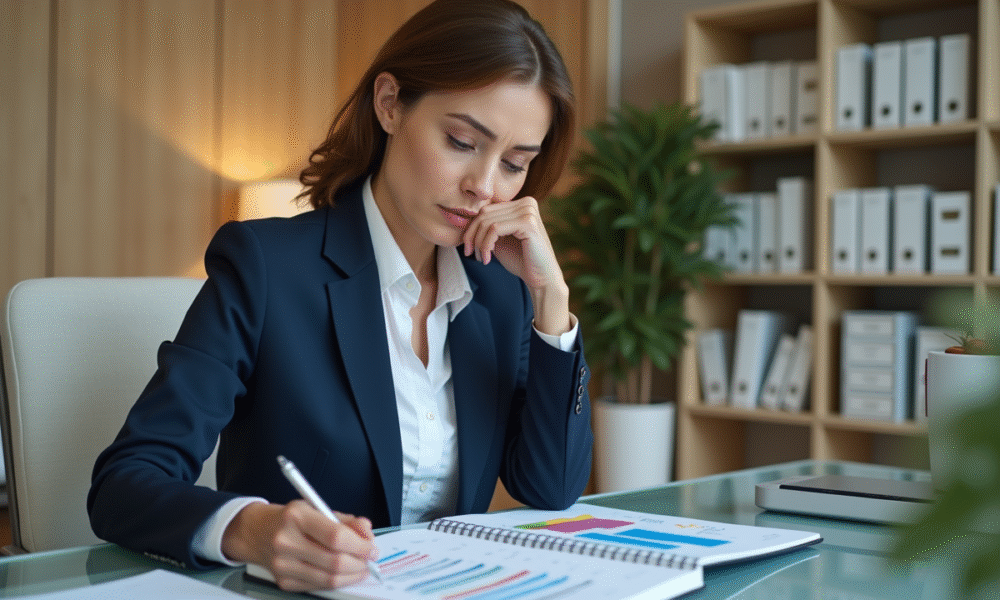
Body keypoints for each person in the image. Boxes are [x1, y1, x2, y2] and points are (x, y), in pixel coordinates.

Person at [87, 0, 592, 593]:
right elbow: (125, 482)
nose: (483, 186)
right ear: (390, 104)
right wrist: (251, 530)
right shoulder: (266, 267)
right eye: (461, 141)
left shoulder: (501, 295)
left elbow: (550, 487)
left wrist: (551, 300)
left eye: (513, 163)